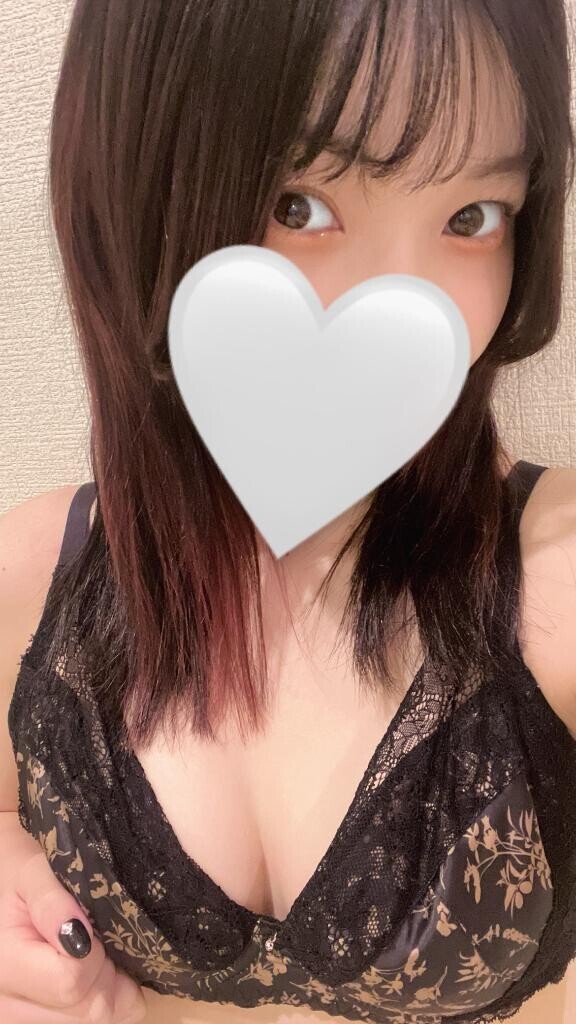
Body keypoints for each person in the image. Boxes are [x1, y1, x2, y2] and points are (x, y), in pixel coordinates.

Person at [1, 1, 576, 1022]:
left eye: (473, 217)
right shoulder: (32, 576)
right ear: (135, 190)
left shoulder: (555, 580)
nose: (416, 313)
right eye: (299, 203)